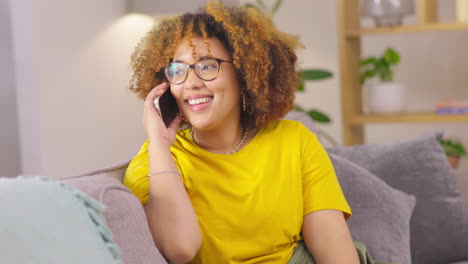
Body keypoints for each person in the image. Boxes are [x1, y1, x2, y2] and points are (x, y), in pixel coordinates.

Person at [123, 2, 365, 263]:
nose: (191, 83)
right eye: (177, 70)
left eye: (207, 66)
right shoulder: (156, 161)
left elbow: (331, 240)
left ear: (243, 73)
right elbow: (179, 249)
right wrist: (159, 146)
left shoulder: (295, 141)